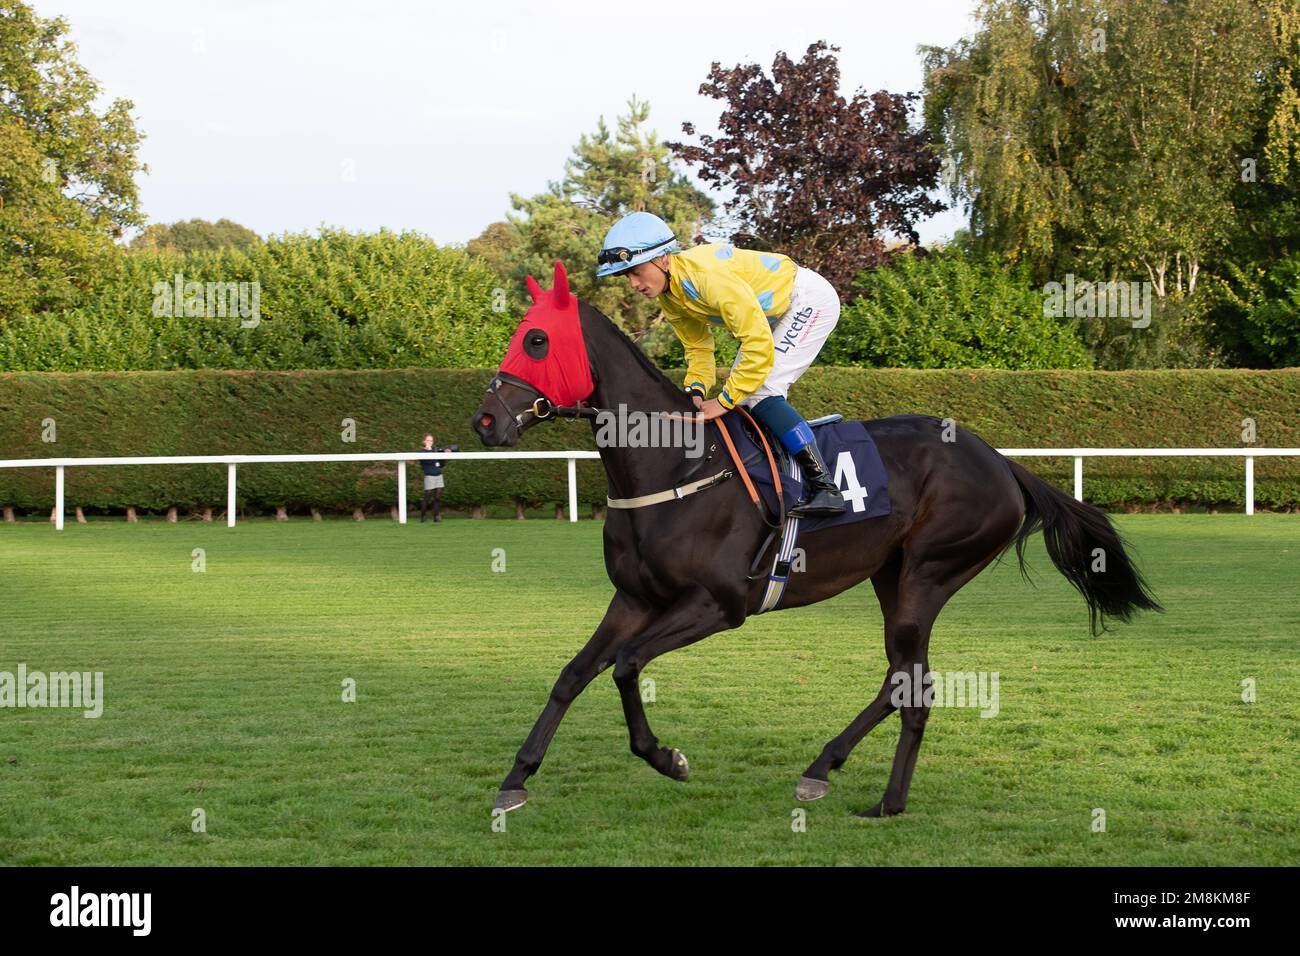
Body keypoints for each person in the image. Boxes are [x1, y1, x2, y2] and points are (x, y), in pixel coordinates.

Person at [596, 211, 846, 517]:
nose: (633, 284)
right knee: (750, 390)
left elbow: (756, 341)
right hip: (775, 314)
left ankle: (826, 488)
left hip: (807, 299)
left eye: (635, 271)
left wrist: (725, 400)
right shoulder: (670, 296)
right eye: (627, 276)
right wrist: (695, 390)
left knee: (760, 390)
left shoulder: (706, 276)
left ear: (662, 258)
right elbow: (698, 347)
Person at [417, 433, 458, 522]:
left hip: (439, 475)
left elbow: (442, 459)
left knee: (438, 497)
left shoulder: (435, 449)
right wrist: (428, 450)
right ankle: (423, 516)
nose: (430, 442)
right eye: (428, 440)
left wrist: (447, 452)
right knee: (427, 497)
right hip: (429, 476)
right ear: (424, 441)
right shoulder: (421, 451)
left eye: (431, 440)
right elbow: (425, 460)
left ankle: (436, 516)